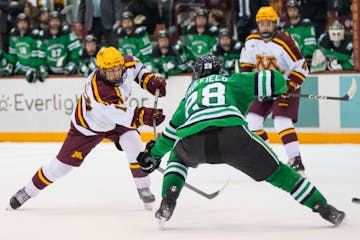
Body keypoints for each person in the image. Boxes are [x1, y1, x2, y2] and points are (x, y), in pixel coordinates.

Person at [136, 55, 345, 228]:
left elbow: (170, 134)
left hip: (195, 143)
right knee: (279, 172)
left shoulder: (190, 95)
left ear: (195, 75)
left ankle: (169, 199)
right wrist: (276, 90)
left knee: (177, 156)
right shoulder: (232, 80)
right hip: (233, 137)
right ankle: (323, 207)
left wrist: (152, 155)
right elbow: (276, 80)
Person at [7, 46, 167, 211]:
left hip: (116, 120)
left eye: (117, 69)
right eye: (109, 71)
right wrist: (145, 115)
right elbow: (123, 115)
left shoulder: (127, 63)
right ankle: (27, 191)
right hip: (88, 127)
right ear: (100, 70)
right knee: (62, 167)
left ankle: (143, 187)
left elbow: (139, 70)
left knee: (133, 141)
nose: (115, 74)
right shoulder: (99, 90)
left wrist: (150, 81)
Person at [240, 6, 308, 173]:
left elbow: (302, 68)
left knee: (281, 121)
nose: (265, 28)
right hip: (263, 86)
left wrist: (290, 86)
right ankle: (266, 157)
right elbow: (246, 66)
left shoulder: (285, 41)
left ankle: (295, 160)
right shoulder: (251, 41)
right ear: (258, 25)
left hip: (284, 86)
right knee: (252, 121)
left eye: (269, 24)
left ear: (275, 24)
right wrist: (250, 87)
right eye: (262, 24)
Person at [38, 11, 81, 77]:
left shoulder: (66, 32)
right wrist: (43, 67)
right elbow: (41, 54)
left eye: (57, 20)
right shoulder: (43, 35)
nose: (55, 23)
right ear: (49, 22)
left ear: (60, 22)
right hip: (50, 71)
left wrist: (73, 62)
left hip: (67, 68)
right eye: (53, 21)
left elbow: (76, 49)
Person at [6, 13, 42, 82]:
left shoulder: (34, 34)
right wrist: (11, 64)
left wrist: (33, 68)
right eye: (20, 23)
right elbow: (12, 53)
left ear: (28, 24)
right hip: (21, 68)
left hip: (34, 68)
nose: (22, 25)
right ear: (17, 24)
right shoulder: (14, 34)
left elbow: (37, 54)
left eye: (24, 22)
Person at [282, 0, 316, 68]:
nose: (292, 12)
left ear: (298, 11)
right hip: (291, 61)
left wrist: (304, 57)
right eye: (290, 10)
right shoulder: (285, 27)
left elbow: (310, 44)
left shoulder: (306, 24)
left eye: (294, 10)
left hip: (306, 60)